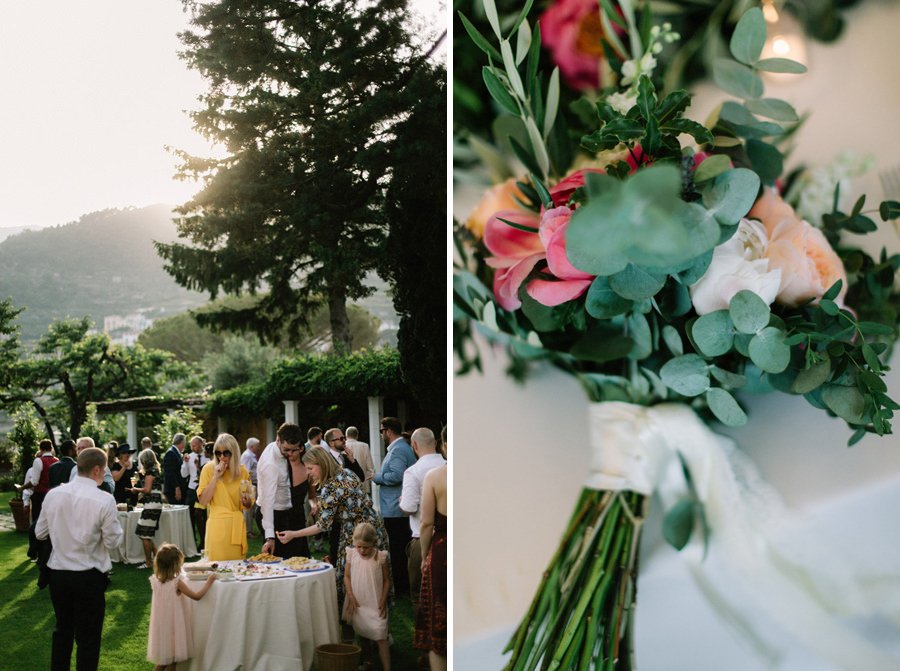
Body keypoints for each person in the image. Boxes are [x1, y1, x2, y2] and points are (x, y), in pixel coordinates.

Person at [35, 446, 124, 671]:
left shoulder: (53, 494)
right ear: (97, 470)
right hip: (89, 575)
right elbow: (114, 542)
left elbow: (39, 533)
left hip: (59, 574)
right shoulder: (104, 500)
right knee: (89, 637)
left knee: (62, 630)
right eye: (104, 471)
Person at [276, 446, 388, 604]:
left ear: (321, 464)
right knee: (375, 578)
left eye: (310, 468)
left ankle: (353, 621)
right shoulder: (347, 472)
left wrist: (293, 534)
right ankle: (377, 619)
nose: (308, 473)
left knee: (352, 583)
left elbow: (322, 525)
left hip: (356, 534)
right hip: (374, 528)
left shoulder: (330, 487)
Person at [147, 543, 215, 671]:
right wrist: (209, 582)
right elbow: (197, 596)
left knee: (163, 662)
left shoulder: (155, 580)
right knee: (172, 662)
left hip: (161, 627)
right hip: (174, 627)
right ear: (175, 565)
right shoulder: (177, 583)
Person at [399, 428, 446, 615]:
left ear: (414, 445)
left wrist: (402, 501)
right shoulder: (448, 466)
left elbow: (409, 507)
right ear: (435, 443)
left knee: (420, 593)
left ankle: (425, 636)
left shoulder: (413, 472)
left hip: (424, 539)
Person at [413, 446, 448, 671]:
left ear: (444, 445)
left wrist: (425, 556)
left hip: (443, 552)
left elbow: (426, 523)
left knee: (440, 626)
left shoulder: (435, 476)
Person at [373, 416, 416, 594]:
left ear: (388, 431)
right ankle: (404, 584)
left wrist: (376, 477)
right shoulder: (400, 448)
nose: (381, 435)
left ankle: (402, 587)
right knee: (400, 548)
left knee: (398, 550)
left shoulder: (398, 450)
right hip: (397, 508)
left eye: (382, 431)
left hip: (395, 509)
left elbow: (397, 475)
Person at [343, 522, 391, 671]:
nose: (362, 550)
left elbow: (386, 580)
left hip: (375, 601)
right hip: (358, 600)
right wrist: (350, 595)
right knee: (362, 631)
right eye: (359, 546)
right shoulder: (352, 555)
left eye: (366, 547)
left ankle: (387, 667)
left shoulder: (380, 557)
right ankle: (367, 661)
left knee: (380, 634)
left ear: (373, 543)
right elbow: (346, 576)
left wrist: (383, 601)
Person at [197, 433, 252, 560]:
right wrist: (215, 477)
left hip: (236, 527)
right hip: (217, 527)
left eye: (226, 453)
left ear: (234, 453)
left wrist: (247, 500)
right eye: (218, 453)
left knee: (237, 571)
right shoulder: (208, 469)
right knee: (216, 569)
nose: (222, 457)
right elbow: (203, 501)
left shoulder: (242, 471)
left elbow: (248, 505)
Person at [258, 423, 307, 558]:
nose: (290, 454)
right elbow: (267, 502)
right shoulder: (271, 465)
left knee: (297, 558)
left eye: (293, 450)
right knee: (280, 562)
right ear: (278, 439)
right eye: (286, 450)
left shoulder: (275, 446)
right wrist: (270, 537)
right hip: (274, 515)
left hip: (287, 513)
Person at [128, 448, 164, 569]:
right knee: (143, 532)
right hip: (155, 504)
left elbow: (147, 490)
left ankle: (148, 562)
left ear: (145, 460)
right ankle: (158, 557)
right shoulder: (155, 471)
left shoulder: (150, 472)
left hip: (152, 505)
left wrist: (136, 490)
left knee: (143, 533)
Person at [28, 439, 58, 560]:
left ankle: (36, 553)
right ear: (51, 448)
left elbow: (35, 481)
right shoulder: (57, 461)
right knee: (51, 524)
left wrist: (23, 487)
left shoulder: (38, 460)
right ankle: (49, 552)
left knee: (37, 524)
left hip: (40, 495)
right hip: (54, 496)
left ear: (40, 449)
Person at [180, 436, 206, 545]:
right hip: (191, 490)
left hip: (203, 491)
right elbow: (183, 474)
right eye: (191, 446)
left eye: (194, 445)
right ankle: (192, 542)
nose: (192, 447)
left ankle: (203, 541)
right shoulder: (189, 457)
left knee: (201, 516)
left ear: (201, 444)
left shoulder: (208, 456)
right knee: (190, 516)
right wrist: (185, 463)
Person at [240, 437, 262, 537]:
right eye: (257, 446)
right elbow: (246, 471)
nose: (259, 447)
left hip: (251, 484)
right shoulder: (248, 456)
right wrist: (247, 489)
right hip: (249, 484)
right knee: (248, 509)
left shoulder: (250, 455)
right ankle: (247, 531)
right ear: (252, 446)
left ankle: (249, 530)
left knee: (251, 509)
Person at [345, 426, 375, 496]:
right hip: (362, 484)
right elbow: (370, 467)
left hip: (347, 484)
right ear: (357, 436)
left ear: (346, 436)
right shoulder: (365, 446)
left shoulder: (343, 446)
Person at [162, 433, 187, 504]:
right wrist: (177, 488)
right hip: (173, 490)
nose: (184, 445)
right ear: (181, 442)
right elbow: (170, 473)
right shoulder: (171, 453)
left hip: (177, 489)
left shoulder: (176, 452)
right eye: (184, 442)